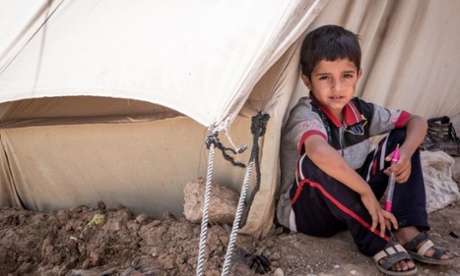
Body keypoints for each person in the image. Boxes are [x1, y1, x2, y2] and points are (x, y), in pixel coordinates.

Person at [276, 25, 454, 275]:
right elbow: (316, 151)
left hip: (350, 203)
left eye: (346, 76)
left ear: (358, 75)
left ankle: (406, 228)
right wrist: (367, 194)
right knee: (313, 163)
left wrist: (405, 154)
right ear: (307, 80)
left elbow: (417, 121)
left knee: (402, 136)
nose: (337, 87)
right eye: (325, 77)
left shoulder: (361, 111)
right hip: (310, 215)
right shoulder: (305, 113)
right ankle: (376, 239)